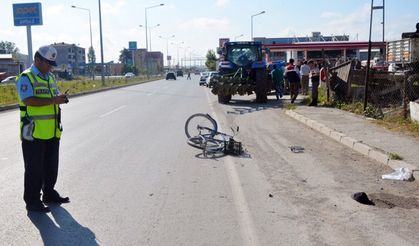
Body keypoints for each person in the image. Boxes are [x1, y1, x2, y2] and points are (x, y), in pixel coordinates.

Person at [15, 45, 70, 213]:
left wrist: (61, 99)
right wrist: (54, 100)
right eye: (48, 63)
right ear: (37, 60)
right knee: (34, 168)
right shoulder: (26, 77)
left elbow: (53, 97)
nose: (50, 66)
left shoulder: (50, 77)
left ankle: (49, 193)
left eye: (52, 63)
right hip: (32, 131)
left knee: (51, 166)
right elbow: (28, 100)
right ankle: (32, 201)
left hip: (52, 130)